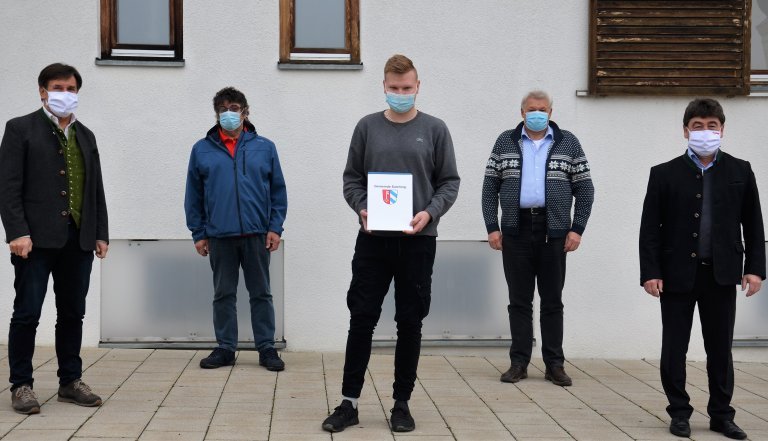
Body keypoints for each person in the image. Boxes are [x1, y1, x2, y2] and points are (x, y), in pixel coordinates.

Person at [322, 54, 460, 433]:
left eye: (407, 88)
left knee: (409, 322)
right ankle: (349, 402)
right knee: (361, 318)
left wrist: (429, 213)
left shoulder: (435, 129)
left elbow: (449, 181)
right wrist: (362, 208)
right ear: (383, 87)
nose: (400, 94)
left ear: (418, 87)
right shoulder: (366, 127)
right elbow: (352, 179)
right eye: (394, 88)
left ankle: (402, 404)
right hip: (372, 241)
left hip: (418, 241)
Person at [640, 98, 765, 440]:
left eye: (712, 126)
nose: (705, 132)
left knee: (720, 349)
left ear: (722, 129)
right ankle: (679, 412)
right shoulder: (664, 174)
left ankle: (722, 415)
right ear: (685, 131)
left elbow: (754, 225)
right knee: (674, 348)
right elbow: (650, 228)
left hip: (722, 274)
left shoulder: (740, 171)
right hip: (676, 275)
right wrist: (651, 272)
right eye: (698, 126)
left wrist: (754, 269)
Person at [0, 63, 109, 414]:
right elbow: (8, 186)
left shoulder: (86, 135)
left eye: (72, 88)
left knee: (73, 313)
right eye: (59, 87)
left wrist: (101, 233)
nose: (66, 94)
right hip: (34, 241)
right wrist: (17, 231)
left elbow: (96, 190)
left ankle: (69, 381)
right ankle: (21, 385)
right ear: (43, 91)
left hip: (78, 241)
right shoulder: (20, 129)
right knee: (27, 313)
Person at [482, 90, 594, 387]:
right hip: (516, 229)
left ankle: (554, 364)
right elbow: (489, 186)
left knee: (552, 300)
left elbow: (585, 189)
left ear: (551, 112)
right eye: (532, 109)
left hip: (553, 231)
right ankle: (518, 363)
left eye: (542, 109)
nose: (537, 113)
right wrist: (493, 226)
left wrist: (577, 228)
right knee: (519, 301)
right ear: (522, 112)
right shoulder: (505, 141)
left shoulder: (567, 142)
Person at [184, 87, 287, 372]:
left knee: (261, 293)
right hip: (219, 235)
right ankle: (225, 348)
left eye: (235, 108)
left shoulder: (264, 147)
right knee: (223, 294)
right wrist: (199, 233)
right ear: (217, 113)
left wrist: (274, 227)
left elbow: (278, 191)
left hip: (256, 234)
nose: (230, 114)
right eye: (224, 109)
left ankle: (267, 348)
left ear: (245, 111)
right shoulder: (201, 149)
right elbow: (193, 195)